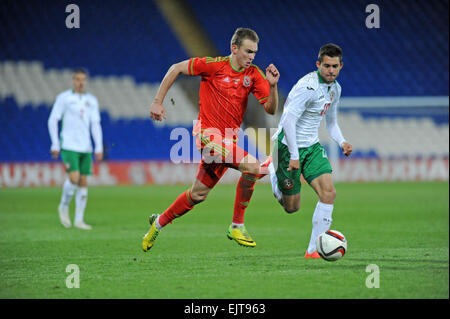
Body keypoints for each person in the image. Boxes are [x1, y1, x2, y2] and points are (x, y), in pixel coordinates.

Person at [142, 27, 280, 252]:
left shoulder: (254, 75)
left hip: (229, 141)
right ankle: (237, 225)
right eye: (247, 51)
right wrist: (158, 101)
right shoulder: (214, 65)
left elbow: (271, 109)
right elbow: (175, 68)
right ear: (234, 48)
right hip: (208, 135)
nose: (252, 57)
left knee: (198, 194)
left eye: (254, 52)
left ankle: (157, 224)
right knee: (254, 167)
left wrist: (272, 87)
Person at [268, 43, 352, 258]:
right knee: (291, 207)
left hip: (312, 147)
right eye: (326, 66)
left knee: (329, 193)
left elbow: (331, 122)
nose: (330, 70)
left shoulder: (335, 89)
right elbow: (287, 121)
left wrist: (342, 142)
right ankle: (273, 171)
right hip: (287, 147)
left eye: (334, 66)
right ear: (318, 64)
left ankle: (314, 250)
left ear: (341, 66)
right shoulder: (308, 87)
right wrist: (294, 156)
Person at [48, 68, 103, 230]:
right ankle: (63, 206)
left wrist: (98, 146)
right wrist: (55, 143)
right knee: (74, 178)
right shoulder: (64, 98)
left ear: (86, 81)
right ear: (73, 81)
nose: (80, 82)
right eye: (78, 79)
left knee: (83, 182)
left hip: (85, 147)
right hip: (69, 145)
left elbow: (95, 124)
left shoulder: (92, 100)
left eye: (83, 79)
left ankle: (79, 220)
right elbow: (53, 120)